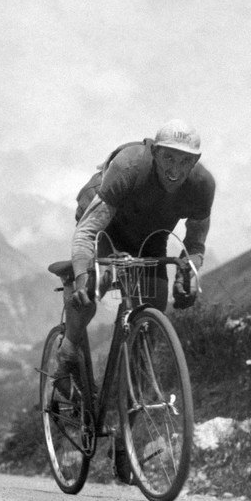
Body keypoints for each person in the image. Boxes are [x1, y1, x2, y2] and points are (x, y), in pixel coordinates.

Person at [52, 118, 216, 390]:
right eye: (168, 158)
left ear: (196, 161)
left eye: (185, 161)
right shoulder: (129, 166)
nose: (175, 170)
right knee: (96, 283)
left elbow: (195, 245)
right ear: (154, 153)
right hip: (107, 225)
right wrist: (83, 274)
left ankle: (130, 414)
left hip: (151, 236)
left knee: (153, 315)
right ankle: (67, 352)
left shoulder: (202, 186)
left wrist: (190, 272)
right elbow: (87, 232)